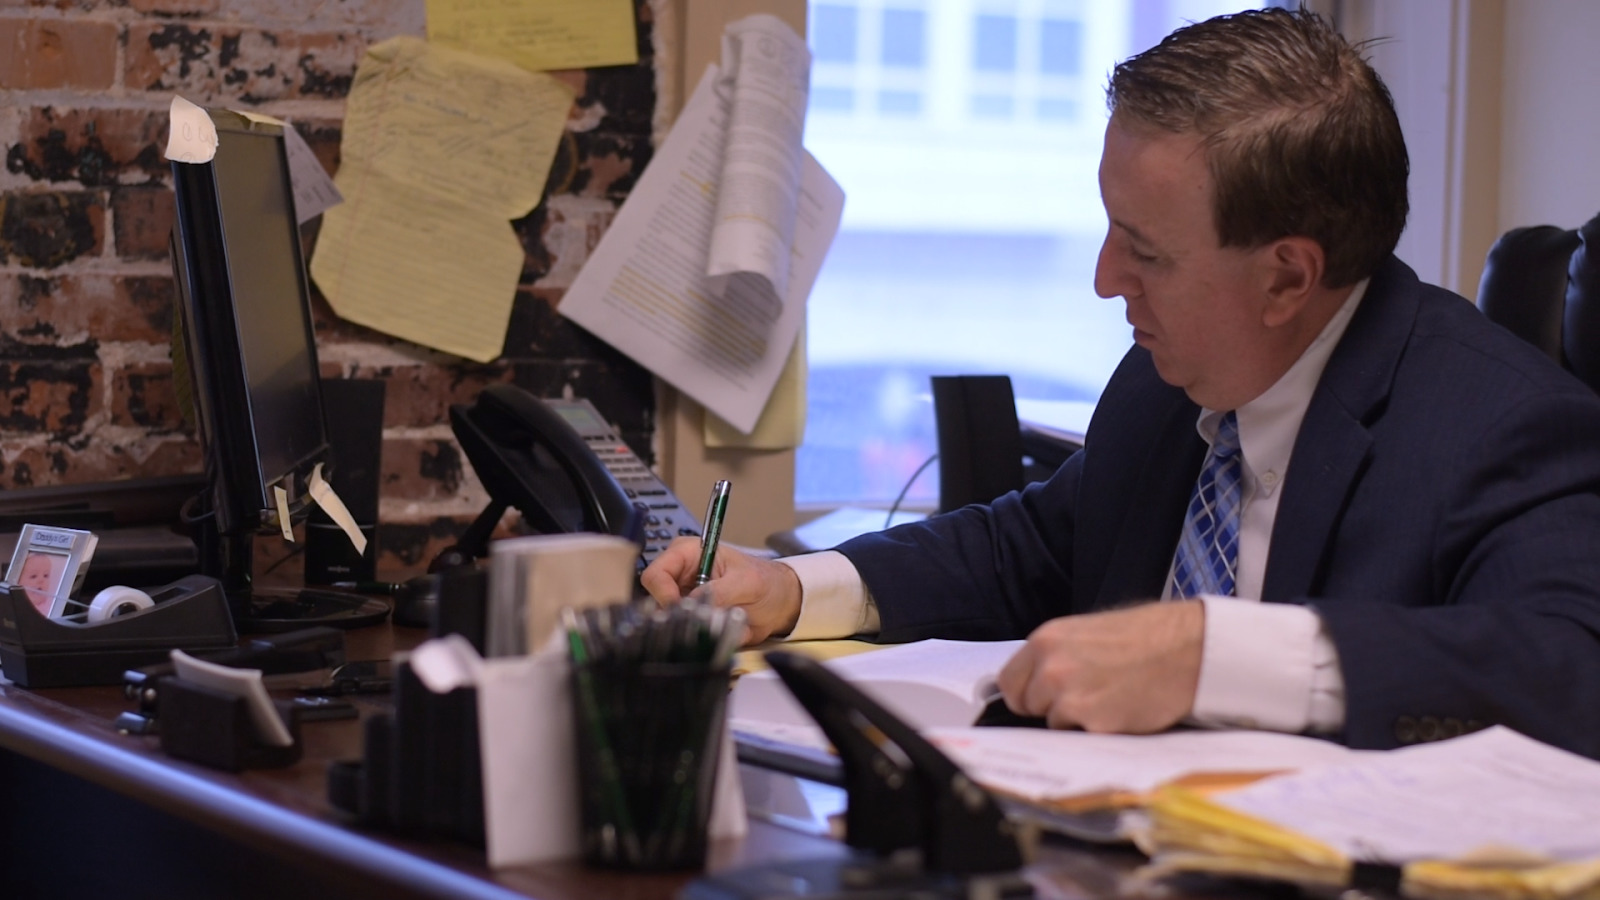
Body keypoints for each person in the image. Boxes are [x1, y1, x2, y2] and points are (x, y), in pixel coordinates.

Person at [642, 8, 1600, 756]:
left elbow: (1569, 671)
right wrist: (793, 588)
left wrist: (1212, 656)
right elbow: (1032, 547)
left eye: (1145, 250)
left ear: (1287, 276)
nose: (1106, 279)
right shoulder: (1166, 384)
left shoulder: (1502, 424)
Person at [16, 550, 63, 616]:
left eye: (46, 575)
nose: (41, 580)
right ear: (18, 582)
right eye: (33, 576)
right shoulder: (14, 605)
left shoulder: (51, 605)